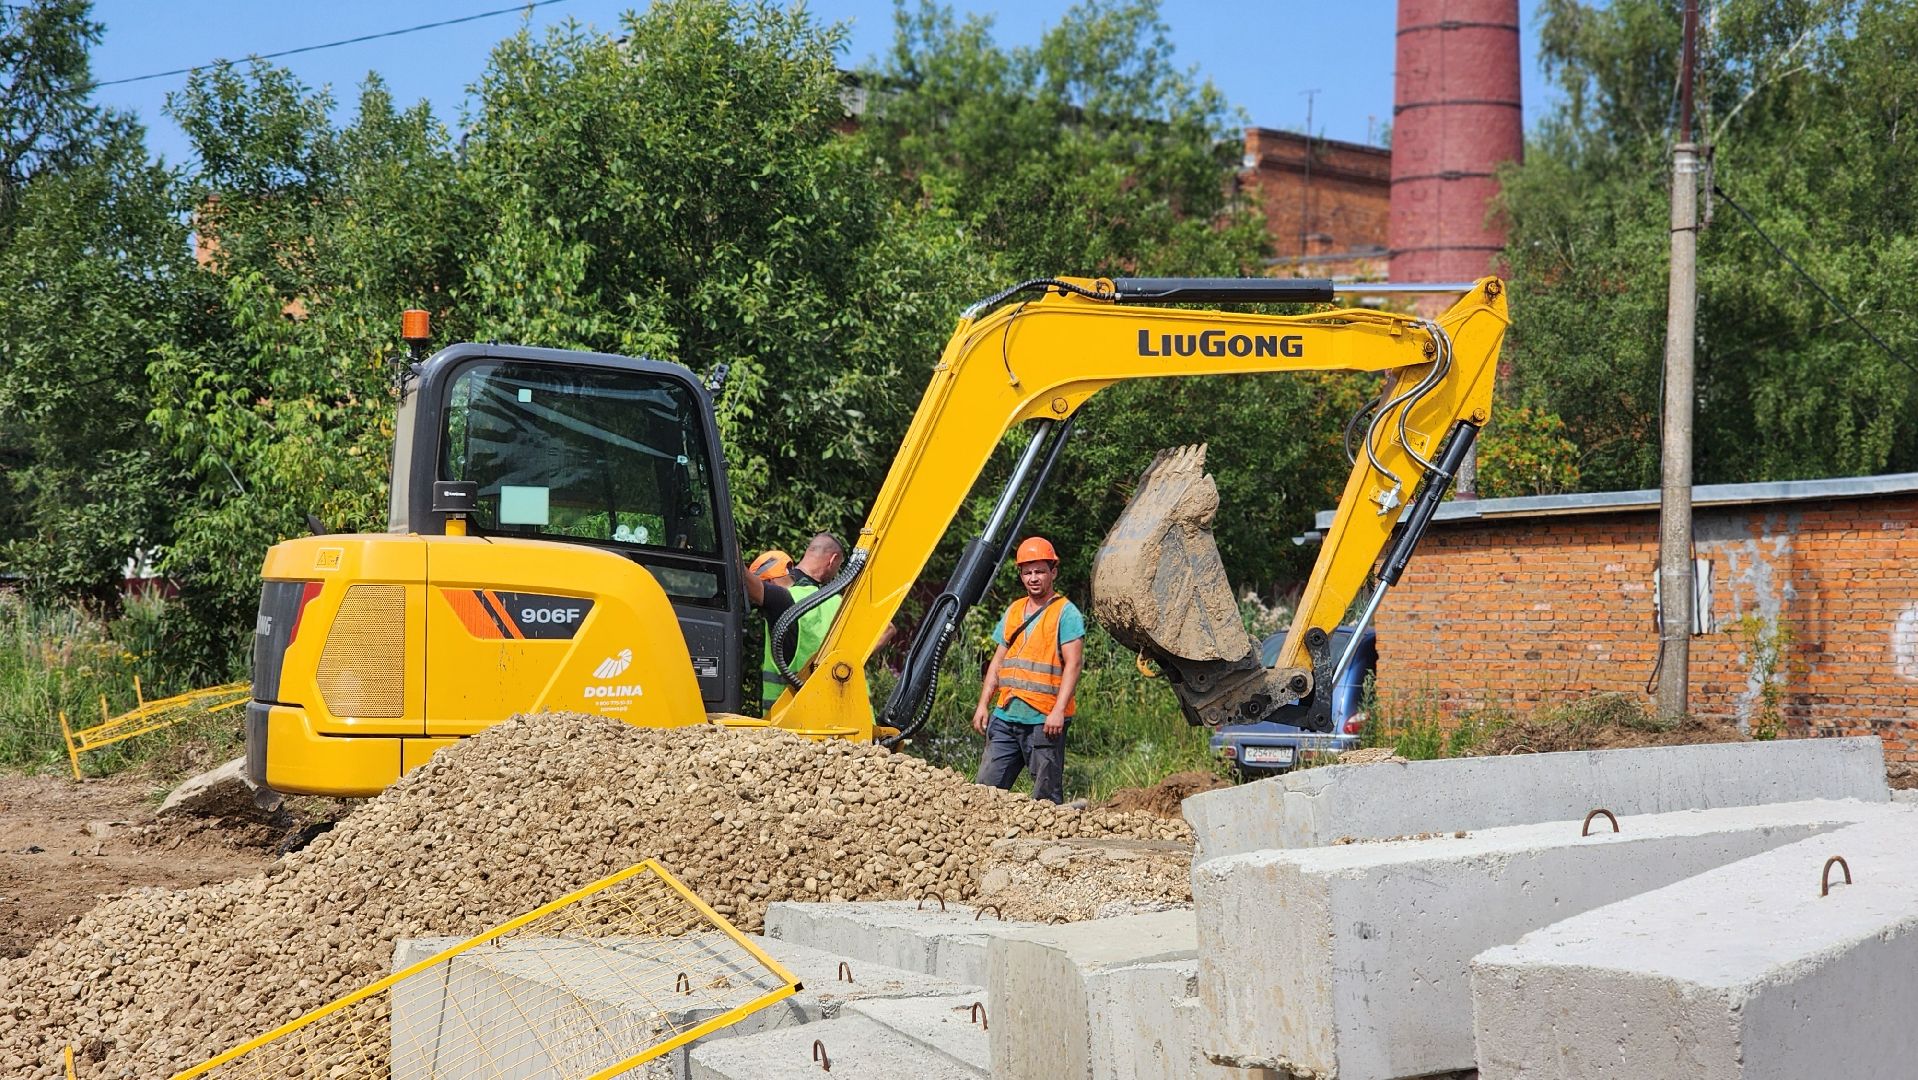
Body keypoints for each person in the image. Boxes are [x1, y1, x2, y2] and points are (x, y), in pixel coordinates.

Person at [971, 536, 1085, 804]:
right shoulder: (1013, 611)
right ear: (1021, 575)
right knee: (984, 794)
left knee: (1046, 800)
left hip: (1044, 723)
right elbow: (998, 661)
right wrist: (983, 704)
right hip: (1006, 716)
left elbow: (1074, 665)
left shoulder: (1066, 613)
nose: (1034, 578)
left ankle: (1049, 844)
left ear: (1053, 572)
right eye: (1028, 572)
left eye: (1040, 571)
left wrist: (1058, 711)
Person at [743, 533, 846, 712]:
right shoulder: (839, 602)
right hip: (842, 720)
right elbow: (888, 630)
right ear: (833, 560)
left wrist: (726, 540)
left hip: (787, 724)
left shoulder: (786, 599)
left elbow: (750, 584)